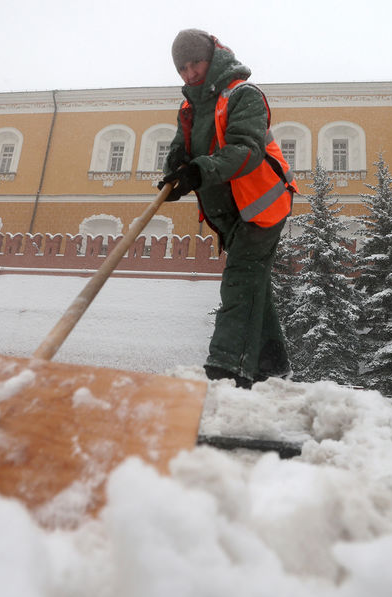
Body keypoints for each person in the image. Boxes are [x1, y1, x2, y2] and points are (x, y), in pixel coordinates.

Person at [158, 29, 297, 389]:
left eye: (195, 63)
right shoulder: (190, 109)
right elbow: (180, 149)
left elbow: (247, 151)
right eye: (182, 68)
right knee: (253, 285)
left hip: (261, 205)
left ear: (213, 58)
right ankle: (272, 366)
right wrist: (176, 170)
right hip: (230, 213)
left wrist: (198, 172)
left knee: (240, 280)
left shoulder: (242, 95)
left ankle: (227, 372)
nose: (189, 73)